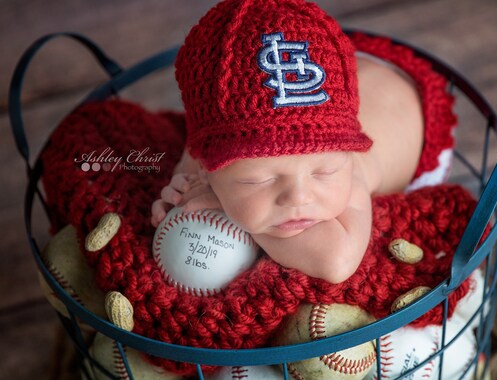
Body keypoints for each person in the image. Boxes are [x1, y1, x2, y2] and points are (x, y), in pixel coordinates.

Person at [151, 0, 452, 284]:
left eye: (323, 173)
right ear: (207, 165)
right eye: (258, 181)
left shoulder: (347, 164)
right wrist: (179, 190)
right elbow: (192, 162)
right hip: (291, 75)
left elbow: (336, 262)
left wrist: (232, 207)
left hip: (399, 101)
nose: (298, 197)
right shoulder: (207, 148)